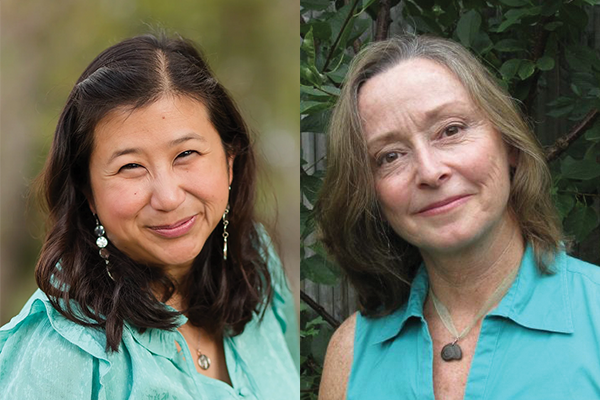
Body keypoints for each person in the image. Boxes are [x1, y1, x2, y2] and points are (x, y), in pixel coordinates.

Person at [0, 34, 299, 399]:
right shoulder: (60, 349)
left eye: (186, 153)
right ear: (88, 193)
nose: (168, 198)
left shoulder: (255, 261)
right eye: (131, 167)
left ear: (229, 161)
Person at [316, 35, 600, 400]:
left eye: (451, 130)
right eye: (390, 156)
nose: (430, 171)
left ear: (508, 143)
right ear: (369, 191)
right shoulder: (352, 352)